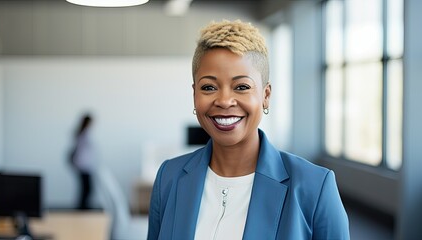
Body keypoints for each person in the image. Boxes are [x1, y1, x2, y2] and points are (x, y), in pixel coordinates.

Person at [147, 20, 349, 240]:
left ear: (265, 95)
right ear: (195, 94)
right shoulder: (169, 177)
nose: (224, 101)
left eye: (241, 87)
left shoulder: (314, 187)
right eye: (209, 87)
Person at [69, 113, 97, 210]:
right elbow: (81, 151)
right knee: (87, 189)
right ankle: (82, 209)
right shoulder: (83, 134)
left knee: (85, 189)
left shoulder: (82, 133)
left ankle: (83, 208)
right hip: (83, 165)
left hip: (83, 165)